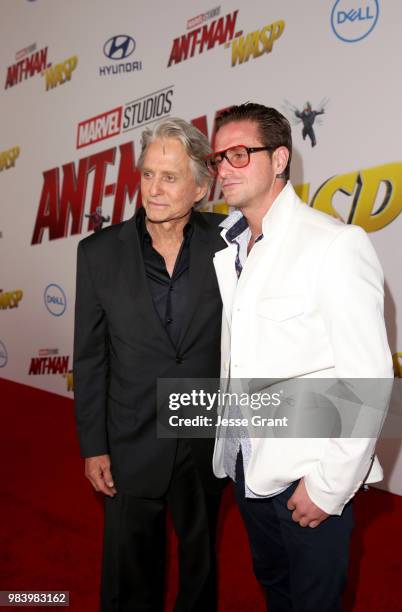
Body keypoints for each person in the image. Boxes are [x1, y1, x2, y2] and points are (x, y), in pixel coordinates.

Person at [207, 103, 393, 611]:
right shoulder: (232, 249)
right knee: (276, 592)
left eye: (240, 154)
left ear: (281, 158)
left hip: (308, 479)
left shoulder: (334, 245)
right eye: (218, 158)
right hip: (248, 468)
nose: (224, 168)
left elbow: (369, 378)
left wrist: (329, 487)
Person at [74, 117, 226, 612]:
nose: (153, 189)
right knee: (128, 570)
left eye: (170, 177)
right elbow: (91, 356)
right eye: (146, 175)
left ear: (201, 185)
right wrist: (93, 445)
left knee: (200, 563)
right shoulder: (98, 253)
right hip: (131, 435)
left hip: (205, 433)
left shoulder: (232, 243)